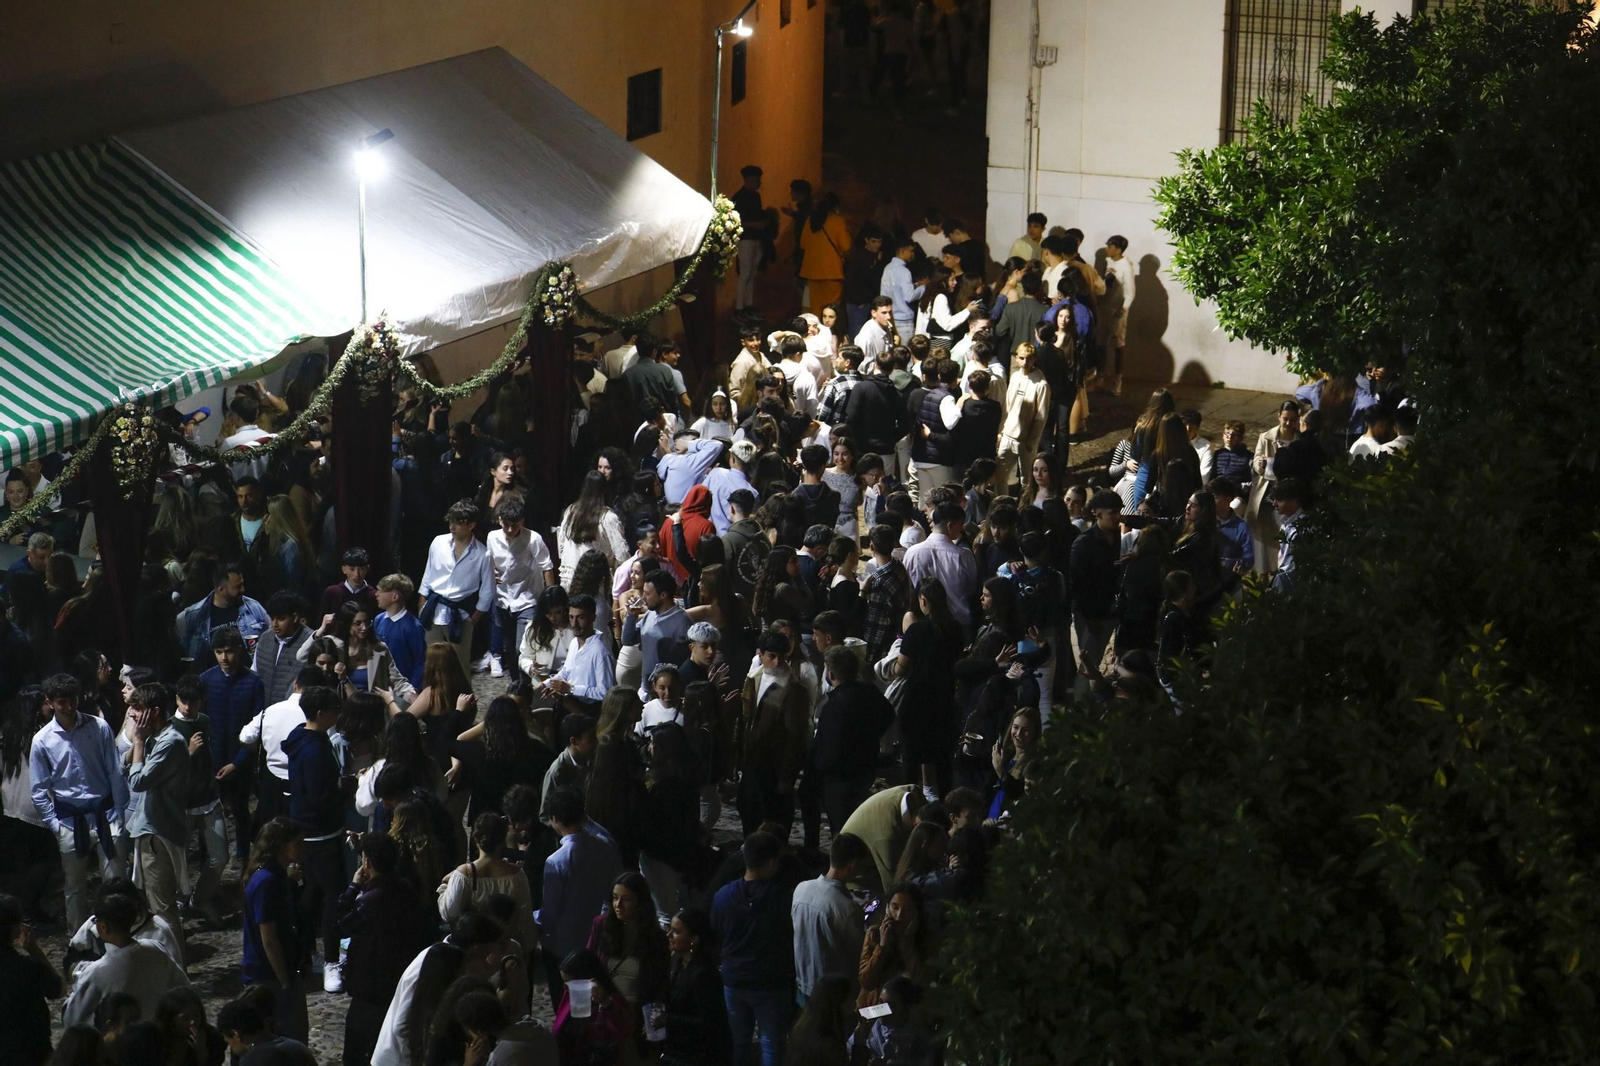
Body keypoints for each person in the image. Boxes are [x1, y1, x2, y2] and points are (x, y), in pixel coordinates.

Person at [30, 672, 129, 930]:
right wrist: (55, 825)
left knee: (116, 883)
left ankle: (118, 935)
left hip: (106, 814)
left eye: (72, 700)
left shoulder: (99, 727)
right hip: (70, 821)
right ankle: (79, 941)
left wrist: (120, 811)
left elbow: (114, 770)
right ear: (50, 702)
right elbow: (39, 790)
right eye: (61, 702)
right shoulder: (42, 741)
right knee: (75, 888)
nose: (69, 706)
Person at [336, 832, 431, 1066]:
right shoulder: (407, 888)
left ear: (367, 863)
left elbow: (340, 926)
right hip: (398, 981)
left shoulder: (370, 901)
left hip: (371, 989)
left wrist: (353, 887)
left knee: (357, 1054)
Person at [711, 832, 797, 1066]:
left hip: (734, 979)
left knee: (738, 1043)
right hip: (769, 983)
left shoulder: (724, 896)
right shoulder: (782, 898)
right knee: (772, 1045)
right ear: (770, 862)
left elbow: (717, 931)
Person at [537, 787, 625, 1006]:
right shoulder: (604, 846)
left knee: (565, 1004)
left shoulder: (556, 861)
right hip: (595, 939)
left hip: (562, 946)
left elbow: (550, 913)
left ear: (555, 819)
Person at [123, 682, 191, 937]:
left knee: (163, 910)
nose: (132, 715)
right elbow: (123, 766)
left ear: (156, 712)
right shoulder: (154, 738)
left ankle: (176, 972)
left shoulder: (170, 742)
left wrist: (139, 742)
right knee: (152, 906)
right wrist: (138, 742)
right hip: (146, 829)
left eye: (138, 709)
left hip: (158, 834)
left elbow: (138, 782)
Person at [62, 892, 189, 1028]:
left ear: (102, 927)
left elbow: (72, 1017)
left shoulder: (98, 972)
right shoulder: (156, 948)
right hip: (159, 1035)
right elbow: (184, 989)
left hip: (125, 1044)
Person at [735, 630, 811, 836]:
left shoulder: (794, 689)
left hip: (774, 764)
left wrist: (786, 776)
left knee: (774, 817)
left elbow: (796, 737)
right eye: (772, 656)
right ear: (760, 655)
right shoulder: (754, 678)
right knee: (749, 809)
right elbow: (745, 719)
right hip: (752, 759)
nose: (777, 662)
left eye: (782, 657)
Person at [812, 649, 895, 837]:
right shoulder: (868, 690)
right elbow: (888, 714)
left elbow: (829, 749)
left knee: (842, 829)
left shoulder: (835, 706)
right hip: (865, 766)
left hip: (840, 777)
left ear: (830, 673)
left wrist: (820, 766)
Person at [242, 816, 309, 1043]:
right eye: (297, 843)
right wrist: (285, 981)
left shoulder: (277, 877)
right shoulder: (266, 882)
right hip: (269, 975)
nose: (303, 848)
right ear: (281, 847)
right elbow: (269, 939)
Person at [791, 832, 870, 1007]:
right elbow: (859, 955)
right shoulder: (848, 908)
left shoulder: (801, 889)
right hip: (833, 995)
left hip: (803, 984)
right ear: (852, 865)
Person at [418, 499, 494, 677]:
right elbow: (428, 575)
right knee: (432, 667)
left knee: (460, 669)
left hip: (460, 617)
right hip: (433, 612)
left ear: (471, 525)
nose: (452, 526)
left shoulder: (482, 554)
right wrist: (422, 605)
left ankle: (463, 704)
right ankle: (436, 704)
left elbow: (488, 591)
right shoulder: (438, 542)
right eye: (451, 521)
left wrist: (473, 620)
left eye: (458, 523)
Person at [486, 497, 554, 682]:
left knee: (521, 647)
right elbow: (489, 562)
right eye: (506, 524)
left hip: (527, 598)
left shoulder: (533, 539)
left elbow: (547, 566)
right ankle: (516, 684)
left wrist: (550, 599)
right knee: (508, 647)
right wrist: (490, 573)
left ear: (522, 522)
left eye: (514, 525)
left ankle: (525, 687)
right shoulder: (492, 537)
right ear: (500, 520)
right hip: (502, 599)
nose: (509, 529)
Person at [0, 892, 64, 1066]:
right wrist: (35, 950)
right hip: (32, 1054)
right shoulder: (28, 968)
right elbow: (59, 989)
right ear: (15, 928)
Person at [663, 906, 731, 1064]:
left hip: (698, 1056)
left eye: (676, 932)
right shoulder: (682, 964)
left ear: (694, 938)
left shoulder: (703, 974)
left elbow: (708, 1023)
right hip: (681, 1050)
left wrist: (668, 1020)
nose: (669, 935)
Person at [838, 786, 926, 905]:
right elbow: (893, 885)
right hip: (859, 879)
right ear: (915, 825)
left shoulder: (914, 793)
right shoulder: (886, 837)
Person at [1071, 491, 1123, 685]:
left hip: (1109, 609)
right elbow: (1077, 583)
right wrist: (1090, 617)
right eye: (1113, 513)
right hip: (1090, 613)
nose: (1117, 517)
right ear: (1096, 513)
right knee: (1088, 665)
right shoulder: (1084, 543)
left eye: (1118, 512)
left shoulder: (1118, 537)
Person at [552, 948, 638, 1065]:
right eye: (564, 982)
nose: (565, 988)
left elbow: (623, 1030)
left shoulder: (612, 1001)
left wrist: (605, 1003)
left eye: (569, 982)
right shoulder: (571, 997)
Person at [902, 503, 978, 632]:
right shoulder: (963, 555)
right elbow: (971, 589)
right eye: (960, 525)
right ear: (950, 526)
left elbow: (909, 588)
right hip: (958, 625)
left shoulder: (911, 553)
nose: (961, 529)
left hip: (923, 624)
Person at [177, 561, 269, 662]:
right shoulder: (194, 615)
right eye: (237, 587)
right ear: (221, 590)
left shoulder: (254, 608)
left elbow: (272, 638)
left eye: (242, 584)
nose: (243, 589)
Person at [997, 341, 1051, 495]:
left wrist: (1032, 440)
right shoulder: (1014, 377)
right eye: (1021, 358)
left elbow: (1041, 416)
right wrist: (1001, 430)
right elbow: (1007, 406)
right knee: (1001, 475)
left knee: (1027, 479)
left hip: (1025, 439)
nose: (1024, 362)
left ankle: (1025, 508)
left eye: (1028, 358)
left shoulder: (1041, 384)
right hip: (1008, 434)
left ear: (1034, 359)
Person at [544, 595, 616, 712]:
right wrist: (546, 685)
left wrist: (571, 689)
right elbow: (566, 672)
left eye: (580, 618)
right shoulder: (574, 642)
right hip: (570, 706)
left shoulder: (601, 651)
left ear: (593, 618)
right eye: (571, 617)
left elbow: (606, 693)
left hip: (589, 713)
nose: (574, 624)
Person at [217, 997, 316, 1066]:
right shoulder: (298, 1046)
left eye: (229, 1042)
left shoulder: (252, 1060)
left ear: (235, 1035)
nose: (231, 1048)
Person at [255, 591, 313, 707]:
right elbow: (255, 672)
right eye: (272, 618)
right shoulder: (265, 638)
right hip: (264, 712)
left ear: (295, 618)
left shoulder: (310, 642)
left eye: (281, 619)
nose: (274, 624)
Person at [799, 193, 852, 316]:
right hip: (832, 272)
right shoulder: (838, 221)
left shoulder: (810, 221)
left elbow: (802, 244)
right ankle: (831, 332)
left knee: (816, 309)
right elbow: (846, 245)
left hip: (812, 272)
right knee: (832, 309)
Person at [374, 573, 428, 693]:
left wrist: (412, 690)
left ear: (394, 597)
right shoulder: (379, 619)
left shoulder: (412, 627)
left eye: (381, 591)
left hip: (403, 689)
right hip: (382, 686)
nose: (376, 594)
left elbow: (421, 662)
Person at [878, 237, 924, 343]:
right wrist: (923, 288)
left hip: (889, 318)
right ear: (902, 251)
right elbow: (909, 296)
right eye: (911, 251)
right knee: (905, 355)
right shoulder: (904, 271)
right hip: (904, 321)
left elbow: (895, 289)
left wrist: (915, 285)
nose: (913, 254)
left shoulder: (887, 268)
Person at [1269, 477, 1307, 593]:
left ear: (1294, 501)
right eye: (1274, 499)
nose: (1274, 504)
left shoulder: (1303, 526)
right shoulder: (1285, 522)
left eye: (1279, 500)